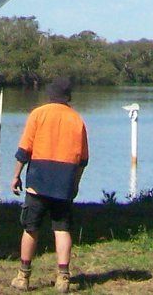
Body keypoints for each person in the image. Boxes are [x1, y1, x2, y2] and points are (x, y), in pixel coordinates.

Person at [10, 76, 90, 292]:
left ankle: (23, 276)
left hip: (38, 180)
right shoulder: (77, 119)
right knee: (62, 229)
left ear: (50, 94)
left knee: (30, 228)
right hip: (64, 182)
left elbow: (24, 150)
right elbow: (83, 160)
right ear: (68, 97)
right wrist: (75, 183)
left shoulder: (38, 114)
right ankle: (63, 278)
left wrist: (16, 175)